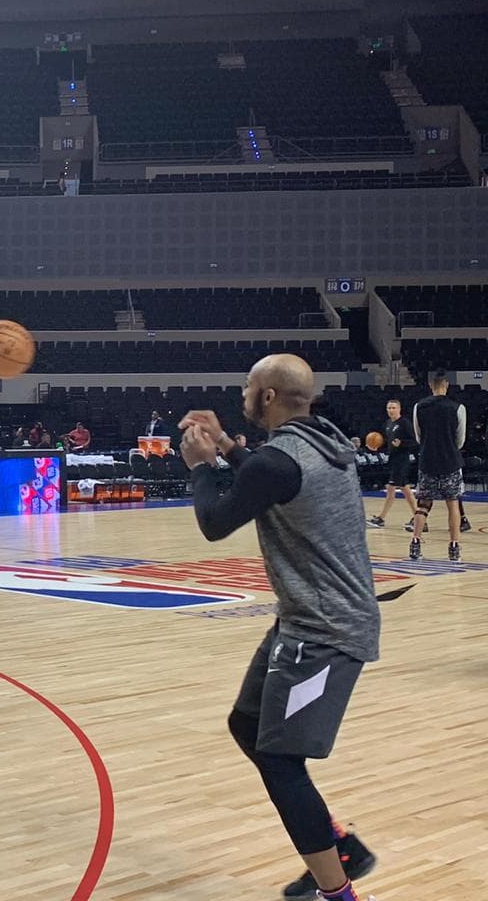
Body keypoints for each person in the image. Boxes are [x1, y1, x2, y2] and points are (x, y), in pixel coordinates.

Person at [178, 354, 379, 901]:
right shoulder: (324, 441)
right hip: (305, 620)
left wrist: (200, 465)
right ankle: (338, 846)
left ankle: (337, 892)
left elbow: (216, 522)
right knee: (248, 726)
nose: (242, 393)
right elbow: (272, 477)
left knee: (278, 761)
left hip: (326, 633)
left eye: (248, 386)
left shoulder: (276, 462)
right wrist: (225, 446)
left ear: (267, 397)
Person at [409, 370, 466, 562]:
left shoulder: (419, 406)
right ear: (446, 386)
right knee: (453, 505)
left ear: (431, 386)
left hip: (427, 461)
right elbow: (460, 440)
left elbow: (418, 436)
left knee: (423, 504)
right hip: (450, 461)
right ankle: (454, 547)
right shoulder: (458, 408)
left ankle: (415, 543)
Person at [366, 399, 417, 529]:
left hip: (402, 460)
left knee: (397, 489)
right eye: (389, 408)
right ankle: (418, 517)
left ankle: (383, 518)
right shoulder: (388, 424)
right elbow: (389, 443)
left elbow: (415, 441)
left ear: (399, 409)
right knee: (401, 489)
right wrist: (376, 447)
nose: (391, 410)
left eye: (393, 408)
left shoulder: (405, 423)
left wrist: (403, 444)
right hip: (393, 460)